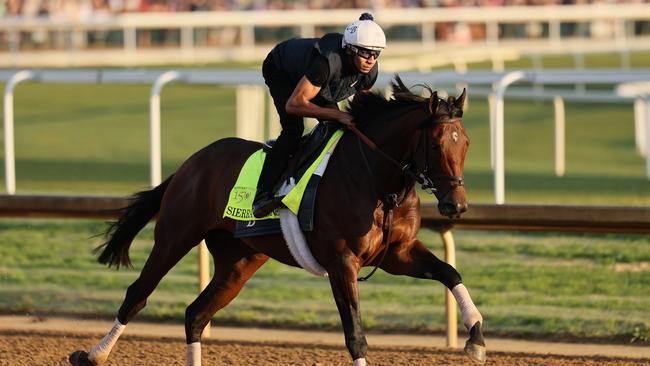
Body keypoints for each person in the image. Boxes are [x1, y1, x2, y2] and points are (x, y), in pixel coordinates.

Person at [252, 12, 386, 218]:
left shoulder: (370, 71)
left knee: (338, 127)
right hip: (282, 68)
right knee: (293, 130)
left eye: (376, 54)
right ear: (350, 49)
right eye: (365, 53)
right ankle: (262, 195)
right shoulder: (326, 64)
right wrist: (338, 116)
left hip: (319, 82)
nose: (371, 60)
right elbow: (294, 105)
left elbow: (360, 107)